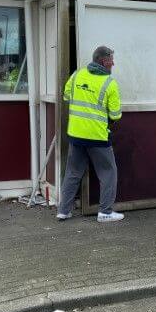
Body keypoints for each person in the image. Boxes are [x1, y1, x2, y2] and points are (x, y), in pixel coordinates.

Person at [57, 45, 124, 223]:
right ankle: (105, 212)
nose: (113, 63)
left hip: (76, 135)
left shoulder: (77, 75)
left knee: (72, 172)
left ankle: (63, 211)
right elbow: (116, 115)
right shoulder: (110, 83)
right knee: (108, 172)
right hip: (97, 137)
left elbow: (66, 96)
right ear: (103, 61)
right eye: (111, 60)